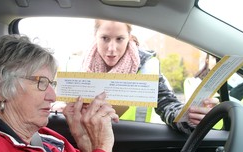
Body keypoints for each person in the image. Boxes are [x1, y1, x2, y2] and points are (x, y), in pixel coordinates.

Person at [82, 19, 219, 134]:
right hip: (83, 144)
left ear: (129, 38)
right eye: (105, 38)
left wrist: (188, 117)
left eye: (119, 39)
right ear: (95, 36)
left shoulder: (147, 67)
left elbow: (167, 104)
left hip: (133, 145)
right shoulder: (78, 66)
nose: (112, 48)